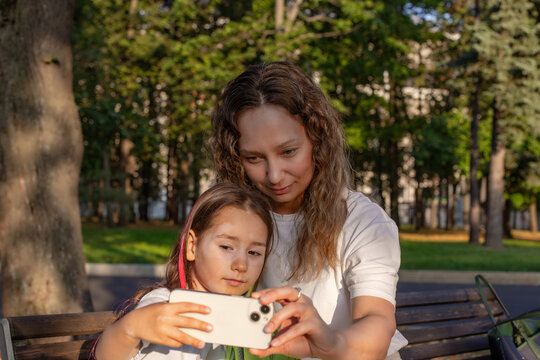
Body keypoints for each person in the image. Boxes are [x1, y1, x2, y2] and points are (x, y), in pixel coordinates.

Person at [210, 61, 408, 360]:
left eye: (288, 151)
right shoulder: (231, 220)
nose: (274, 175)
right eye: (253, 158)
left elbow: (377, 324)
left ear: (318, 140)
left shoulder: (361, 221)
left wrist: (327, 343)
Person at [94, 183, 275, 360]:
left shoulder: (238, 316)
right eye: (226, 247)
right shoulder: (163, 304)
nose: (241, 265)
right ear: (191, 246)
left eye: (254, 252)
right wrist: (129, 329)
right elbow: (106, 355)